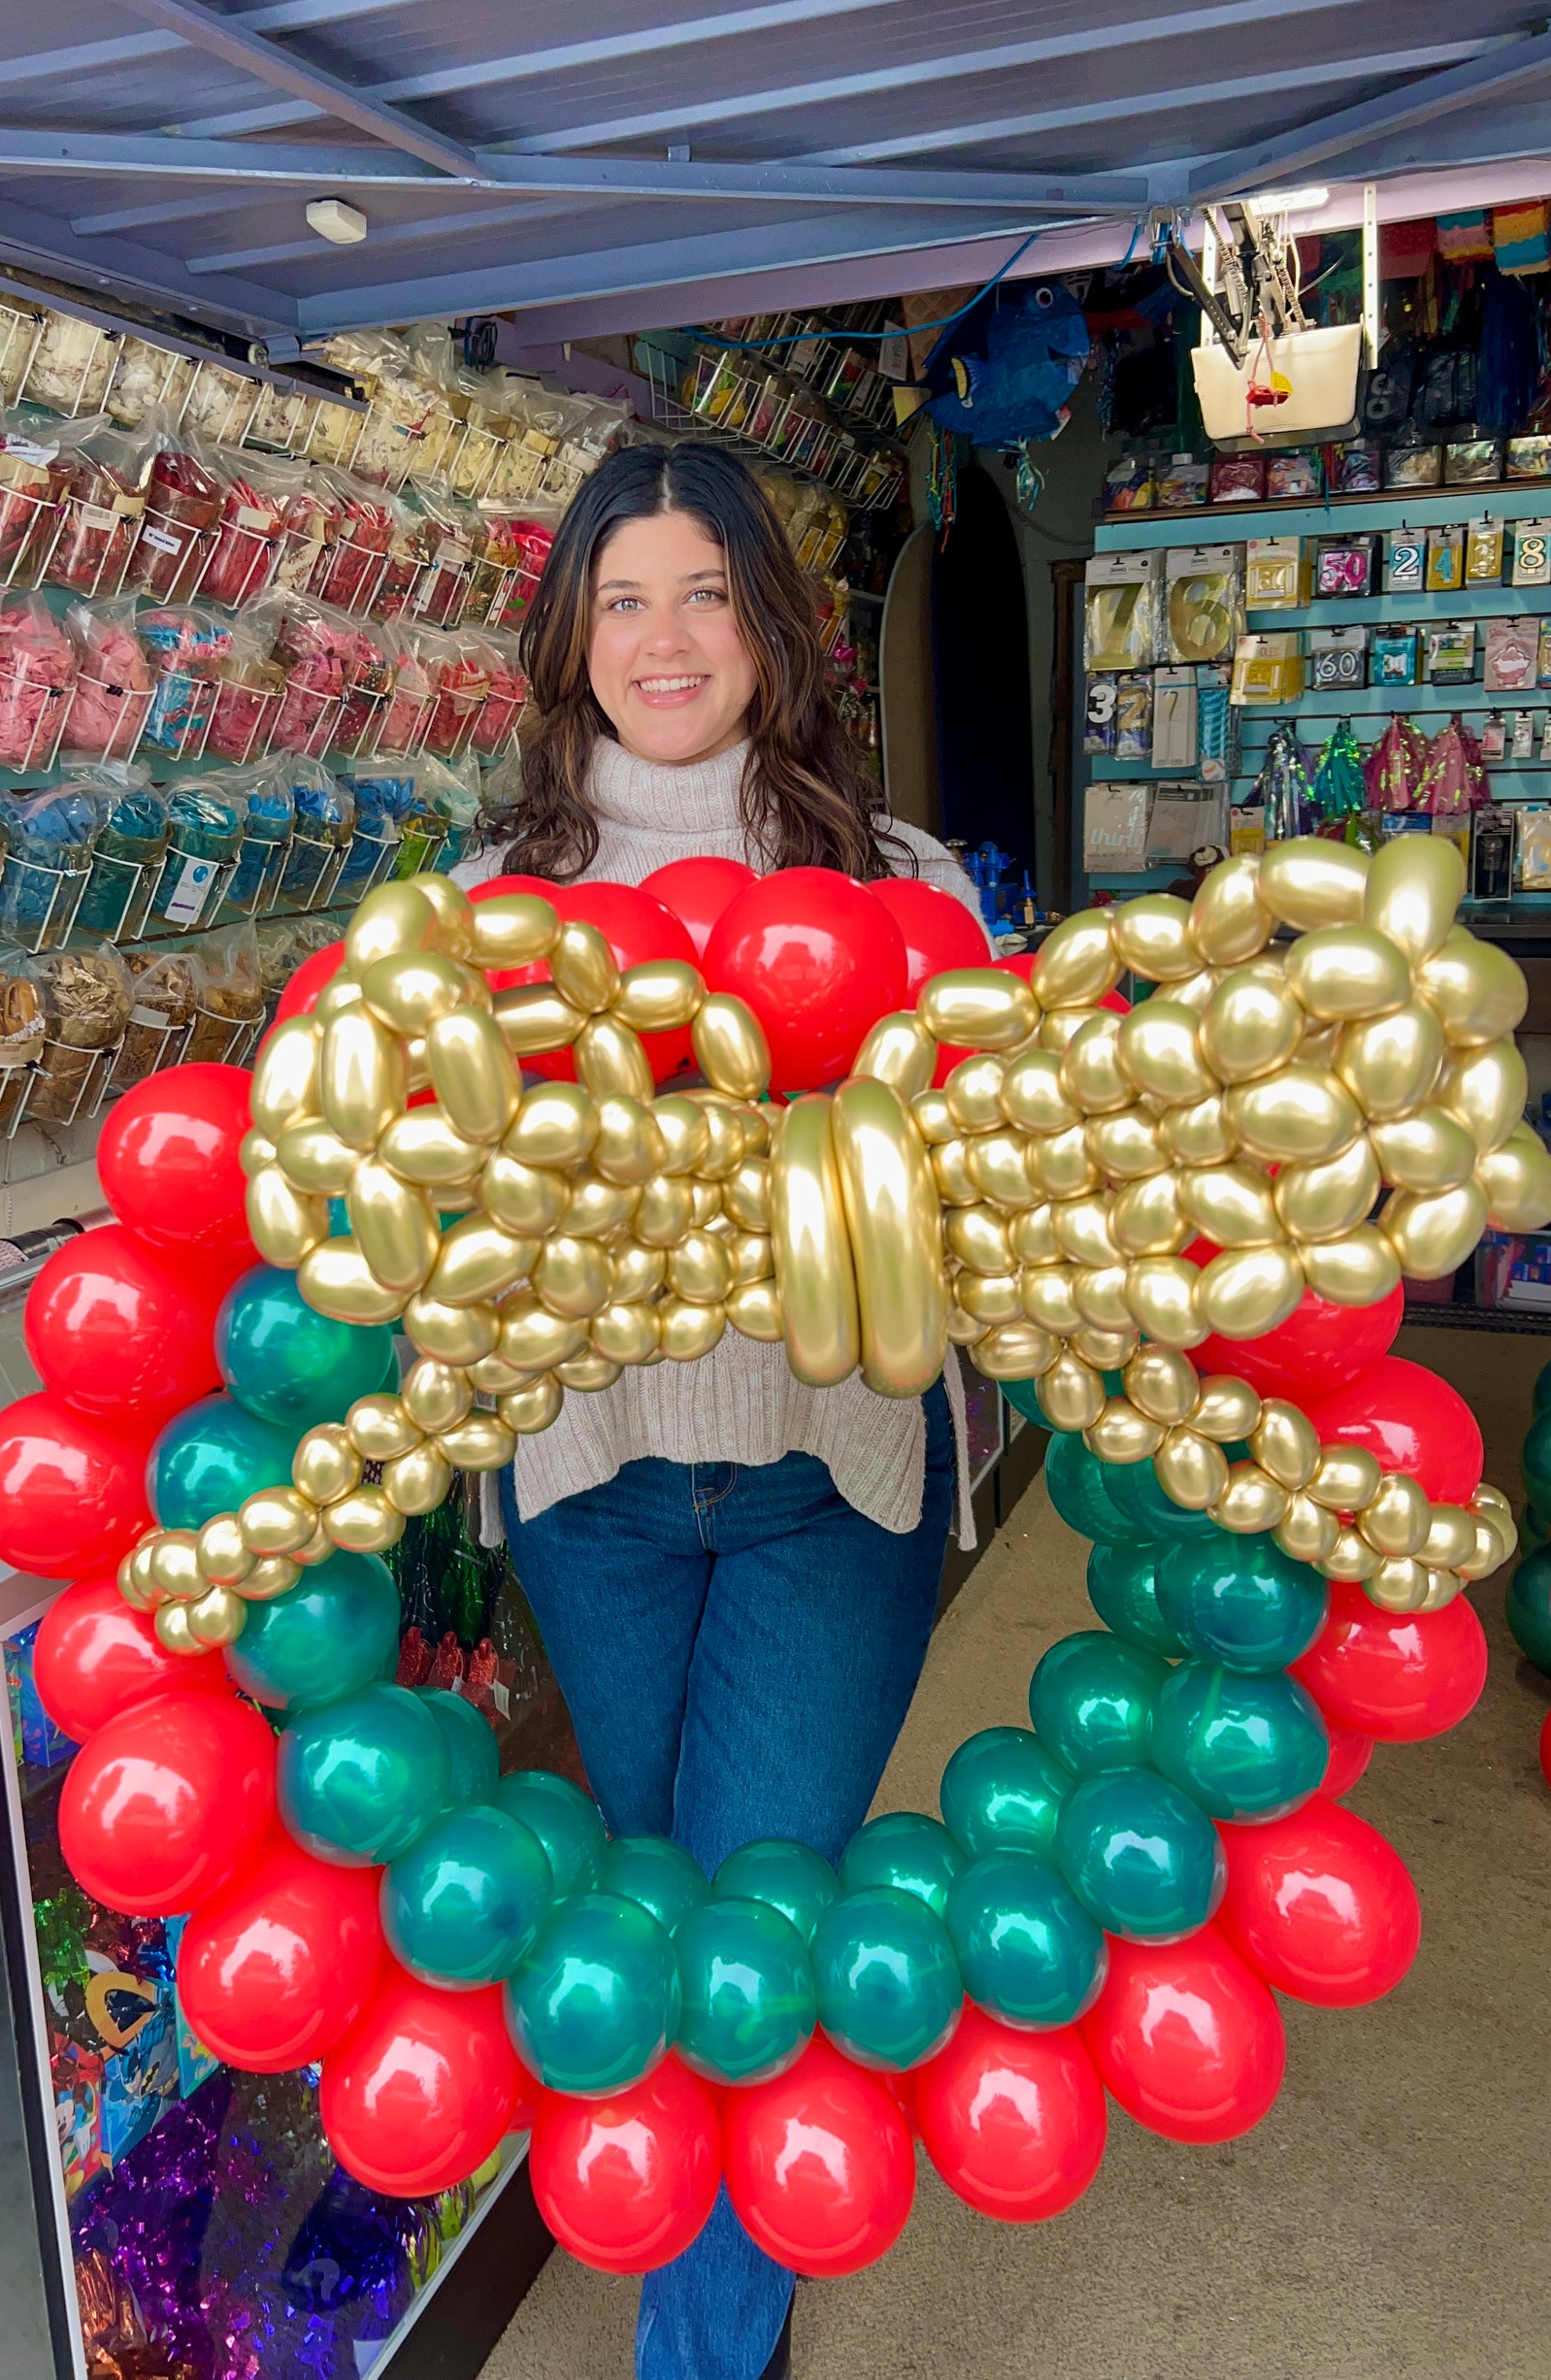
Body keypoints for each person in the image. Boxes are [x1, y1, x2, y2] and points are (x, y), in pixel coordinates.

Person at [451, 441, 983, 2380]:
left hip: (822, 1489)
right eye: (622, 597)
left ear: (771, 623)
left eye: (703, 592)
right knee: (657, 1930)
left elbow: (984, 1211)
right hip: (585, 1485)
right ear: (569, 636)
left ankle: (706, 2356)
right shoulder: (489, 905)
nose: (665, 638)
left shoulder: (896, 883)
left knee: (752, 1964)